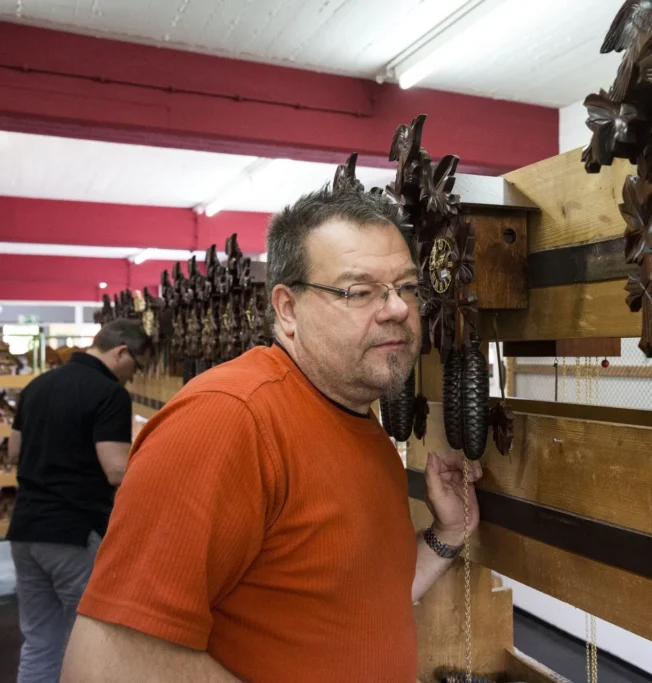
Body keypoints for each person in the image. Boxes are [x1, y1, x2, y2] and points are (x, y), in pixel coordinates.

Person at [61, 184, 484, 683]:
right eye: (359, 290)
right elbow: (106, 666)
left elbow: (359, 599)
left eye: (406, 287)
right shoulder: (227, 420)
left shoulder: (356, 420)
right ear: (287, 309)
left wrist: (447, 534)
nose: (395, 308)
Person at [7, 320, 152, 683]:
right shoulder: (108, 393)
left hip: (25, 530)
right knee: (91, 642)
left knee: (40, 640)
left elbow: (14, 451)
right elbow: (116, 471)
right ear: (121, 352)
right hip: (73, 533)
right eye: (136, 366)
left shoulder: (38, 385)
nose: (133, 377)